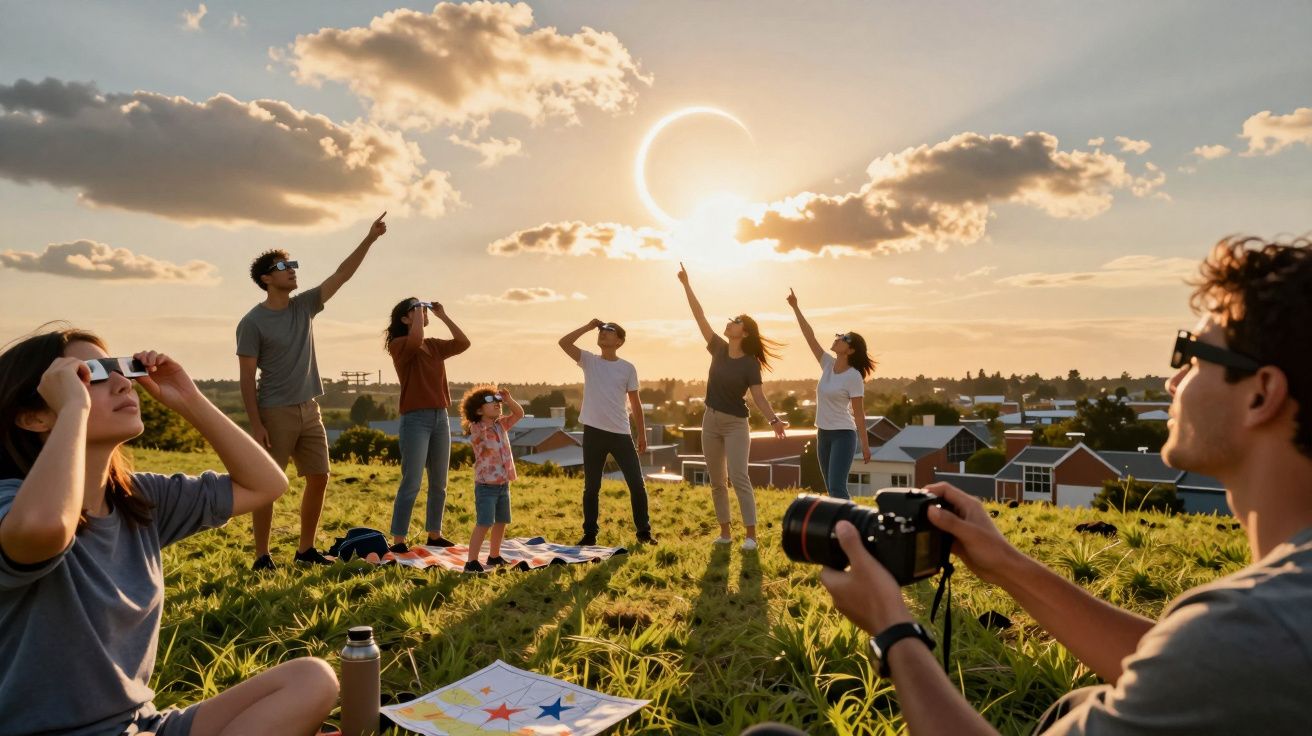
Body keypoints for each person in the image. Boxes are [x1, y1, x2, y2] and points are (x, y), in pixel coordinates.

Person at [812, 235, 1312, 734]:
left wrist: (893, 630)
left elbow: (1224, 652)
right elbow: (1204, 670)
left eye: (1193, 356)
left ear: (1261, 393)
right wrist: (1004, 562)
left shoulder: (1262, 626)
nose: (1172, 382)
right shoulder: (1271, 621)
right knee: (1078, 703)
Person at [0, 327, 338, 735]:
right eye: (90, 375)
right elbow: (46, 528)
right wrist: (74, 409)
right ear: (35, 415)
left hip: (141, 725)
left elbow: (266, 485)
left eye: (120, 368)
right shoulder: (13, 504)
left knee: (311, 679)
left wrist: (188, 398)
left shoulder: (137, 499)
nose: (124, 382)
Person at [237, 212, 388, 570]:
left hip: (310, 408)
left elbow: (341, 275)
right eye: (282, 266)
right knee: (270, 485)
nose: (291, 270)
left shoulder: (304, 306)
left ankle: (305, 551)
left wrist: (369, 239)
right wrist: (256, 424)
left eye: (292, 264)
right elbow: (245, 379)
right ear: (265, 279)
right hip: (275, 411)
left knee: (319, 477)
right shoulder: (252, 322)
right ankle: (262, 556)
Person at [677, 262, 788, 550]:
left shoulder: (750, 364)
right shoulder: (717, 347)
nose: (729, 322)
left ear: (745, 332)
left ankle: (751, 536)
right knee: (717, 481)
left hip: (736, 423)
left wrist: (774, 420)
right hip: (710, 421)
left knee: (739, 477)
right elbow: (699, 315)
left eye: (736, 320)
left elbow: (759, 397)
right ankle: (725, 533)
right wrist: (687, 284)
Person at [558, 319, 655, 546]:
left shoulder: (627, 368)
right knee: (592, 487)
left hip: (621, 433)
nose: (603, 333)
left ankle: (644, 533)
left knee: (636, 484)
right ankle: (589, 534)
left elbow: (636, 404)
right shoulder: (589, 361)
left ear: (619, 341)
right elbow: (563, 342)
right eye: (601, 330)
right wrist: (588, 326)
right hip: (593, 433)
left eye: (609, 331)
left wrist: (642, 434)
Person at [385, 298, 470, 553]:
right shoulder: (399, 345)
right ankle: (399, 540)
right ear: (404, 319)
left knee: (439, 482)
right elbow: (413, 341)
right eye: (416, 309)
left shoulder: (433, 346)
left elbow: (463, 343)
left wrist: (443, 316)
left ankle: (434, 534)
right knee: (411, 481)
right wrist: (420, 318)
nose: (422, 311)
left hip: (440, 418)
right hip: (415, 419)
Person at [787, 288, 874, 499]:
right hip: (823, 434)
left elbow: (859, 414)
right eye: (839, 335)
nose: (838, 338)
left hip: (843, 435)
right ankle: (839, 528)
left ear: (851, 350)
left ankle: (850, 526)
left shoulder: (853, 376)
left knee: (837, 488)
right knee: (831, 489)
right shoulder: (827, 364)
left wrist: (865, 445)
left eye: (844, 338)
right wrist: (795, 307)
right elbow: (810, 337)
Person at [459, 385, 525, 573]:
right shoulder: (477, 428)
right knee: (484, 522)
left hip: (503, 484)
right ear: (478, 410)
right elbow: (475, 424)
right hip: (486, 486)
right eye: (490, 401)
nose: (497, 404)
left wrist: (508, 400)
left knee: (501, 521)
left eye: (498, 401)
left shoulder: (500, 424)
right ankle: (471, 561)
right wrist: (483, 415)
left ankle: (494, 556)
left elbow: (519, 413)